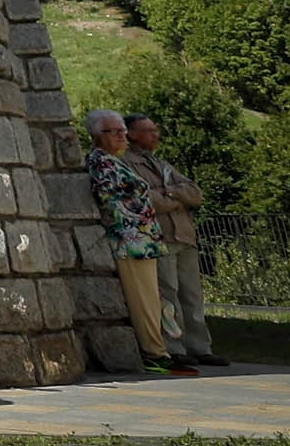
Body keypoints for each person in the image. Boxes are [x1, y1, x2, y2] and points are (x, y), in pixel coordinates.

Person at [84, 109, 186, 378]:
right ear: (97, 135)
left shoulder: (111, 161)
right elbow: (110, 197)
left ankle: (159, 348)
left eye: (122, 131)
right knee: (144, 300)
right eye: (114, 131)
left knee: (152, 298)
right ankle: (155, 354)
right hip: (131, 239)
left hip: (143, 238)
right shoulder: (101, 162)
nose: (122, 136)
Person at [123, 116, 222, 369]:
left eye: (156, 130)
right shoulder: (127, 163)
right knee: (169, 295)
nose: (155, 135)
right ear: (132, 134)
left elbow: (196, 194)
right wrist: (176, 197)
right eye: (148, 131)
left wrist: (171, 193)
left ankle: (200, 347)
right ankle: (175, 347)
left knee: (192, 294)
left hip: (184, 235)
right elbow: (147, 198)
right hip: (161, 237)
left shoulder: (162, 164)